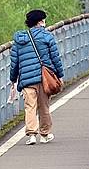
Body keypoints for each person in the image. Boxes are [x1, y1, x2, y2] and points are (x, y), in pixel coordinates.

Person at [9, 10, 64, 145]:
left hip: (26, 80)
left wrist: (13, 79)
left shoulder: (19, 40)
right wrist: (60, 75)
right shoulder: (47, 37)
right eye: (44, 20)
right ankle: (44, 134)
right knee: (44, 107)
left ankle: (32, 135)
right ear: (40, 22)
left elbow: (14, 62)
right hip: (43, 78)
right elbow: (55, 58)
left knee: (30, 106)